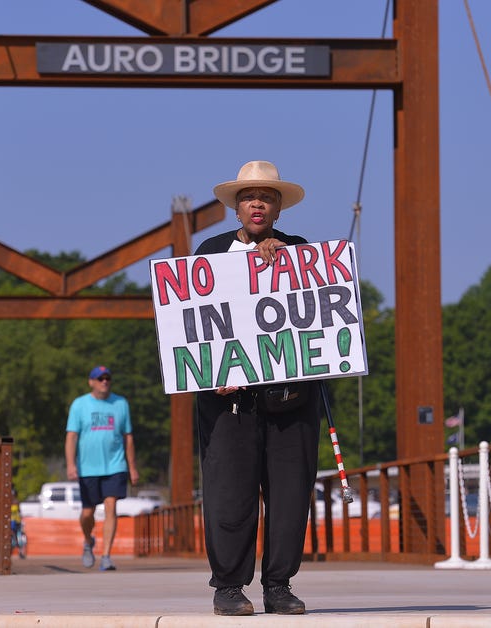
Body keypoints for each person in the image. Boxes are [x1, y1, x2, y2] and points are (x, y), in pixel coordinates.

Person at [194, 161, 321, 616]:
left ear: (279, 208)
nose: (257, 204)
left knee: (289, 495)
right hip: (227, 402)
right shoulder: (209, 253)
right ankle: (228, 587)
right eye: (249, 196)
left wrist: (283, 256)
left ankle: (279, 585)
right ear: (236, 207)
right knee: (230, 493)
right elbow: (190, 326)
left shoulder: (301, 253)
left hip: (290, 400)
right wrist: (211, 372)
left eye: (267, 197)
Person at [65, 365, 139, 571]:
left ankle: (106, 555)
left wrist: (132, 467)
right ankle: (88, 541)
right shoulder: (79, 405)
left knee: (110, 507)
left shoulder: (120, 403)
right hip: (88, 468)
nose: (104, 381)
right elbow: (71, 436)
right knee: (87, 513)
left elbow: (128, 437)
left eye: (107, 378)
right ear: (91, 382)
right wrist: (71, 464)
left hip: (115, 465)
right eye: (100, 378)